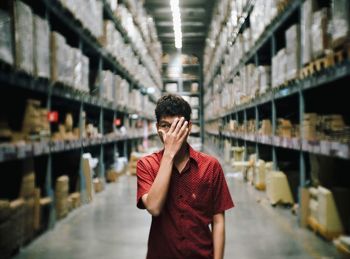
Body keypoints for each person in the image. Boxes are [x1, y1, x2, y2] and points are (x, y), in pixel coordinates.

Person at [137, 94, 234, 259]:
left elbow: (218, 221)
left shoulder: (210, 166)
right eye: (165, 126)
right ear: (156, 127)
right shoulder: (147, 165)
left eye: (177, 127)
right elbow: (153, 207)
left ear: (189, 127)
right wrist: (169, 154)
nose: (171, 134)